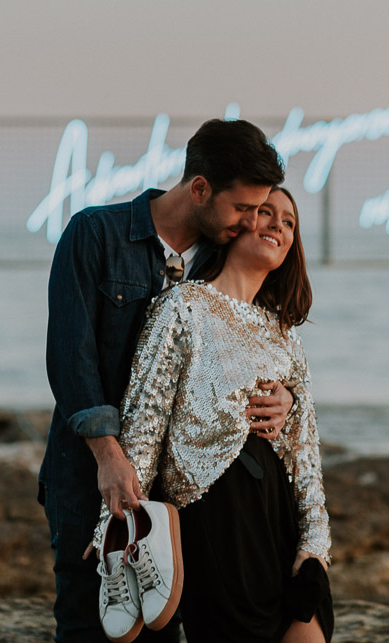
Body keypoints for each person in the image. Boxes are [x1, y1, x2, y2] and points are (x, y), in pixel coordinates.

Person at [38, 118, 294, 643]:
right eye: (242, 208)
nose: (251, 223)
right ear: (199, 188)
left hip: (185, 498)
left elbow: (255, 343)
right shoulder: (95, 235)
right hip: (92, 478)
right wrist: (109, 457)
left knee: (165, 634)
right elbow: (71, 360)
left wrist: (285, 395)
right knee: (93, 628)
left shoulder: (222, 262)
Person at [104, 186, 333, 642]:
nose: (278, 226)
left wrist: (315, 546)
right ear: (237, 223)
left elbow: (306, 453)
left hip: (280, 520)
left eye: (289, 222)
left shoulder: (285, 334)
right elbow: (145, 423)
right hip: (217, 520)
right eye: (266, 212)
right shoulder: (181, 307)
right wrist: (111, 528)